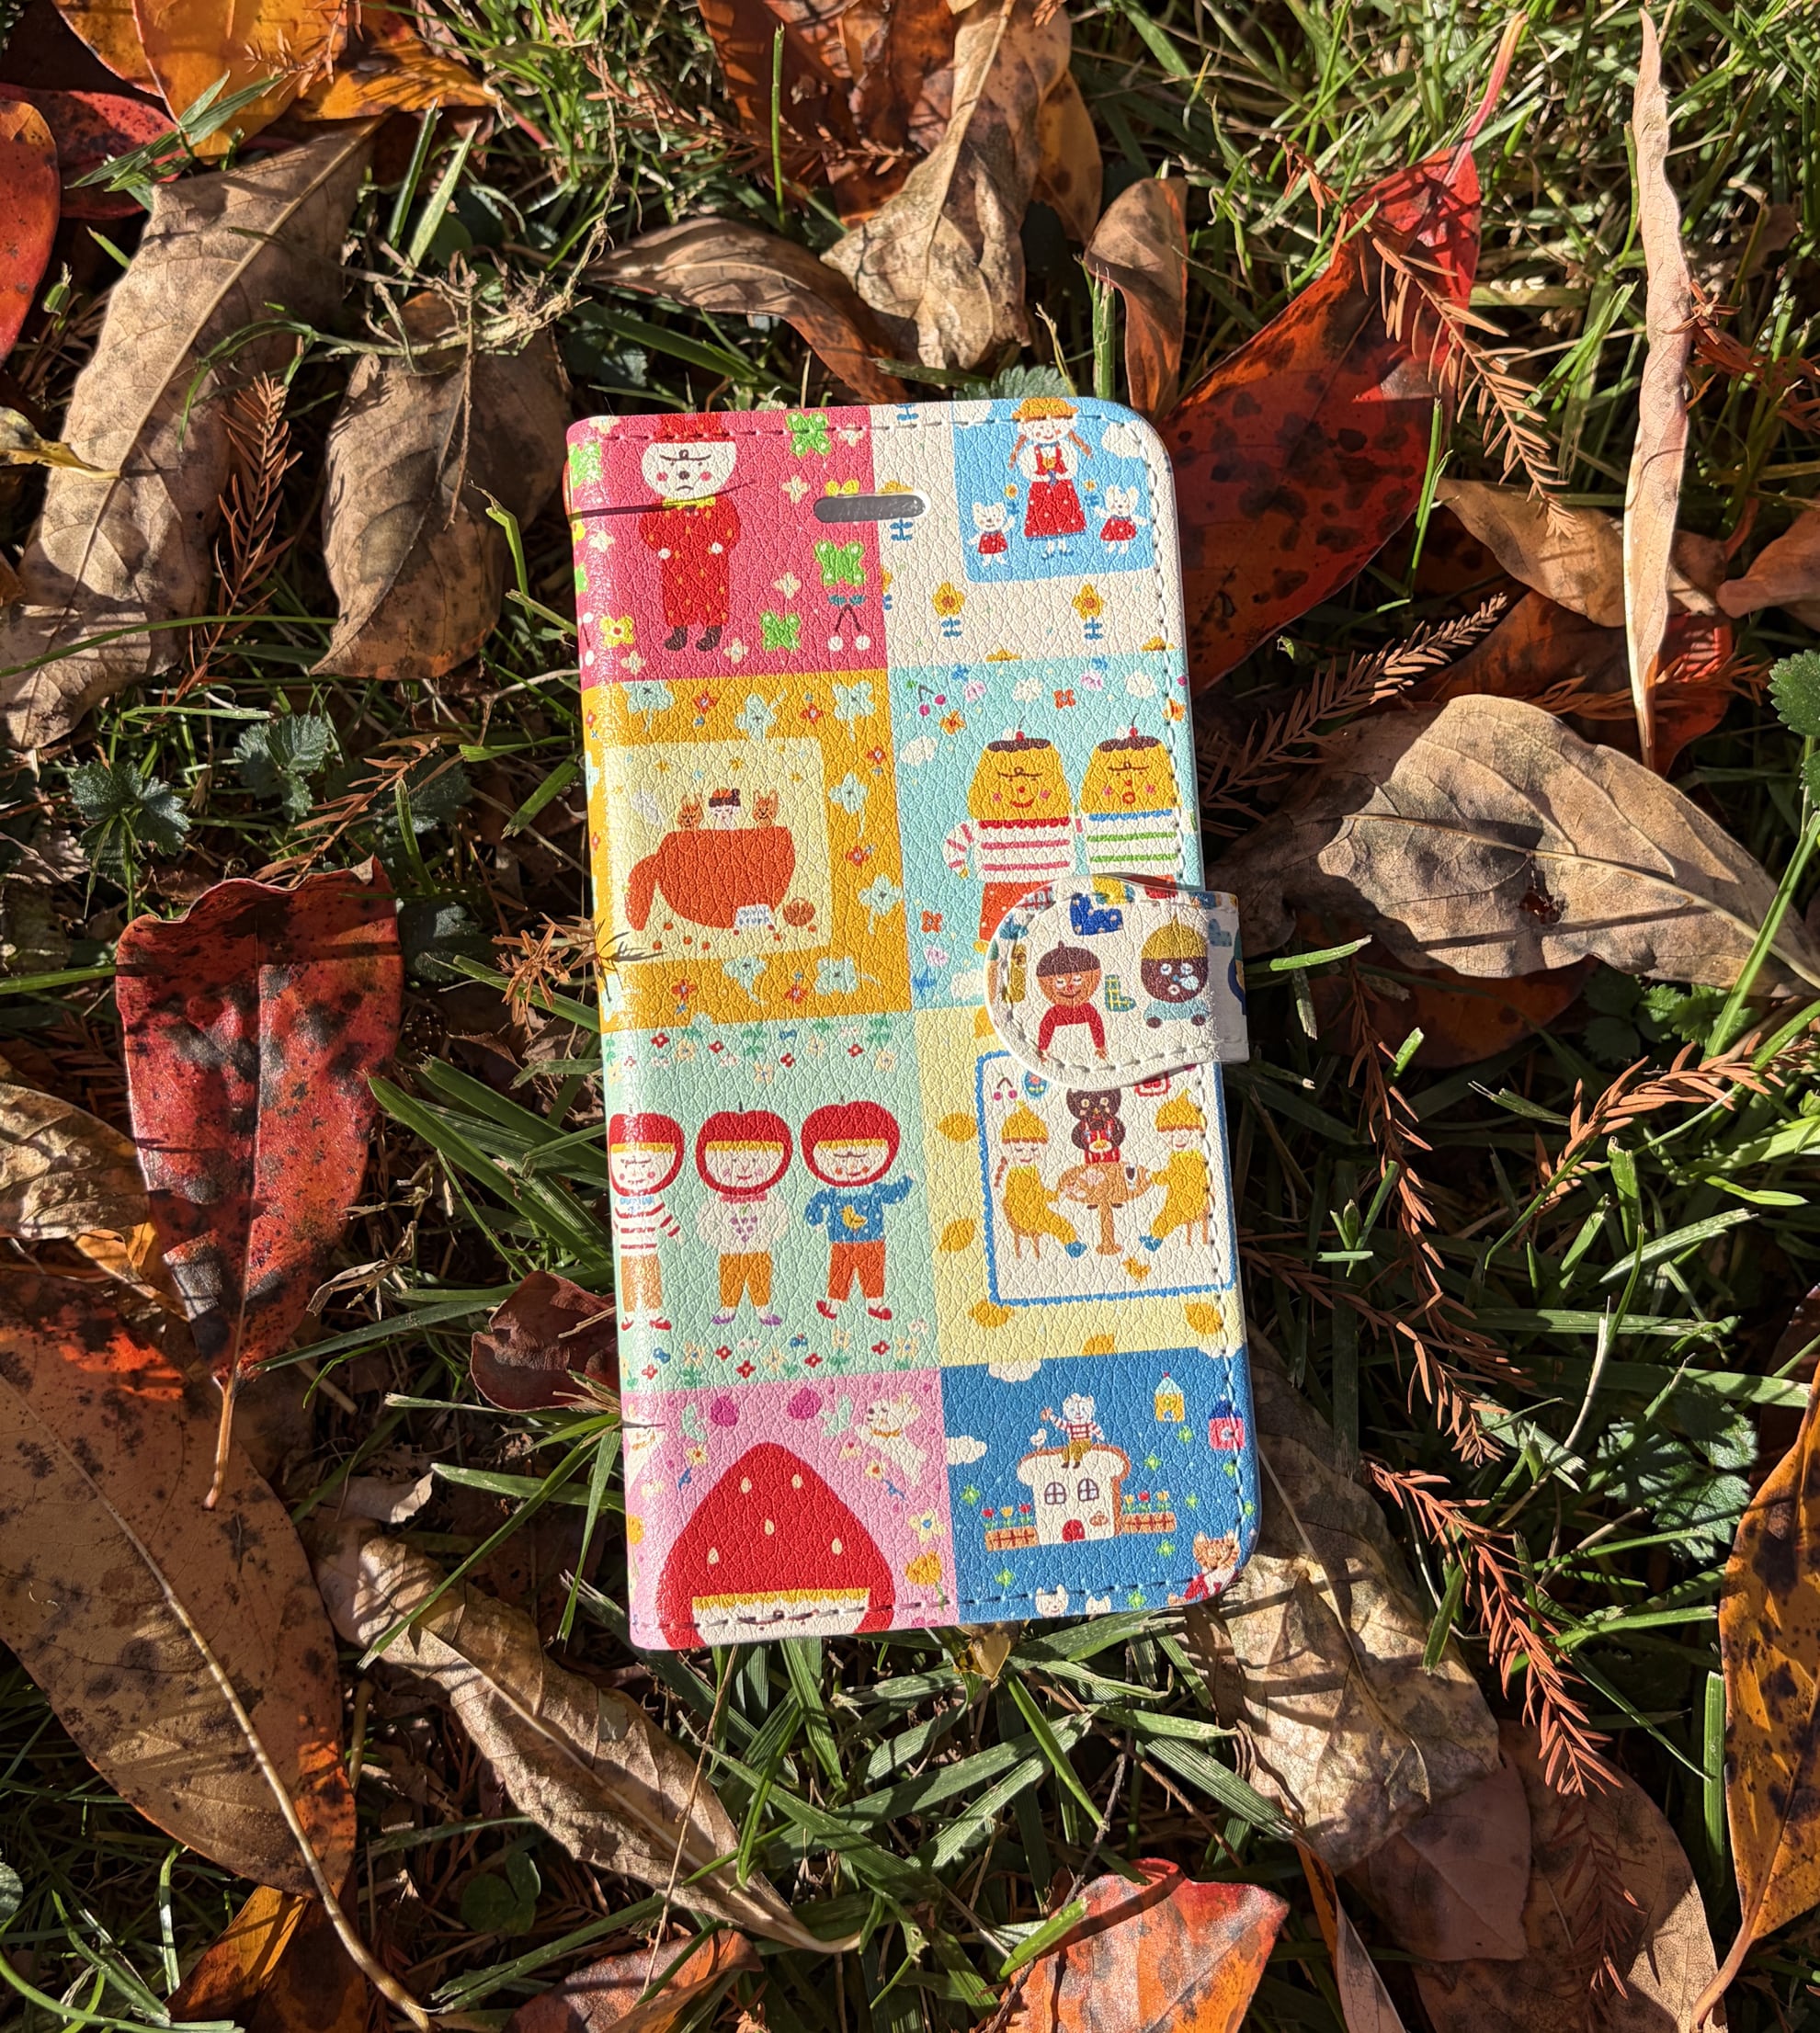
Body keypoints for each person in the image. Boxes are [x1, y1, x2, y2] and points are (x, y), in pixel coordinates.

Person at [802, 1100, 915, 1322]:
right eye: (840, 1159)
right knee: (839, 1274)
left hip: (872, 1240)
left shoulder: (874, 1189)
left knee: (872, 1273)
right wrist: (815, 1219)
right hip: (841, 1242)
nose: (852, 1166)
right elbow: (817, 1203)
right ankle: (832, 1306)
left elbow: (893, 1194)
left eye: (861, 1158)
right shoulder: (834, 1192)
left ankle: (875, 1305)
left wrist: (906, 1181)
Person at [638, 415, 741, 652]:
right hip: (676, 559)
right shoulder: (662, 505)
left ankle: (713, 631)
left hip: (710, 558)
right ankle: (679, 632)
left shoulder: (718, 503)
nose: (684, 474)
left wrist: (721, 542)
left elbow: (731, 525)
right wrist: (660, 547)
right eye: (672, 466)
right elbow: (648, 527)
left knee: (712, 593)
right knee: (677, 594)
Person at [694, 1109, 791, 1326]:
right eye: (733, 1159)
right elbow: (705, 1221)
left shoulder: (768, 1198)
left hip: (760, 1246)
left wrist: (772, 1235)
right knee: (730, 1278)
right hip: (730, 1248)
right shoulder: (719, 1200)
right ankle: (728, 1308)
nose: (745, 1167)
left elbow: (780, 1216)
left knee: (761, 1278)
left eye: (755, 1159)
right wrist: (715, 1239)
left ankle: (763, 1310)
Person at [608, 1112, 684, 1329]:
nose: (635, 1173)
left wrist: (677, 1234)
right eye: (627, 1164)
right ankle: (630, 1315)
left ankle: (654, 1314)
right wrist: (615, 1237)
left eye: (644, 1165)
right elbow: (616, 1223)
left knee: (651, 1282)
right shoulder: (622, 1202)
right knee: (629, 1282)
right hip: (627, 1251)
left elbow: (665, 1219)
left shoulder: (653, 1200)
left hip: (650, 1249)